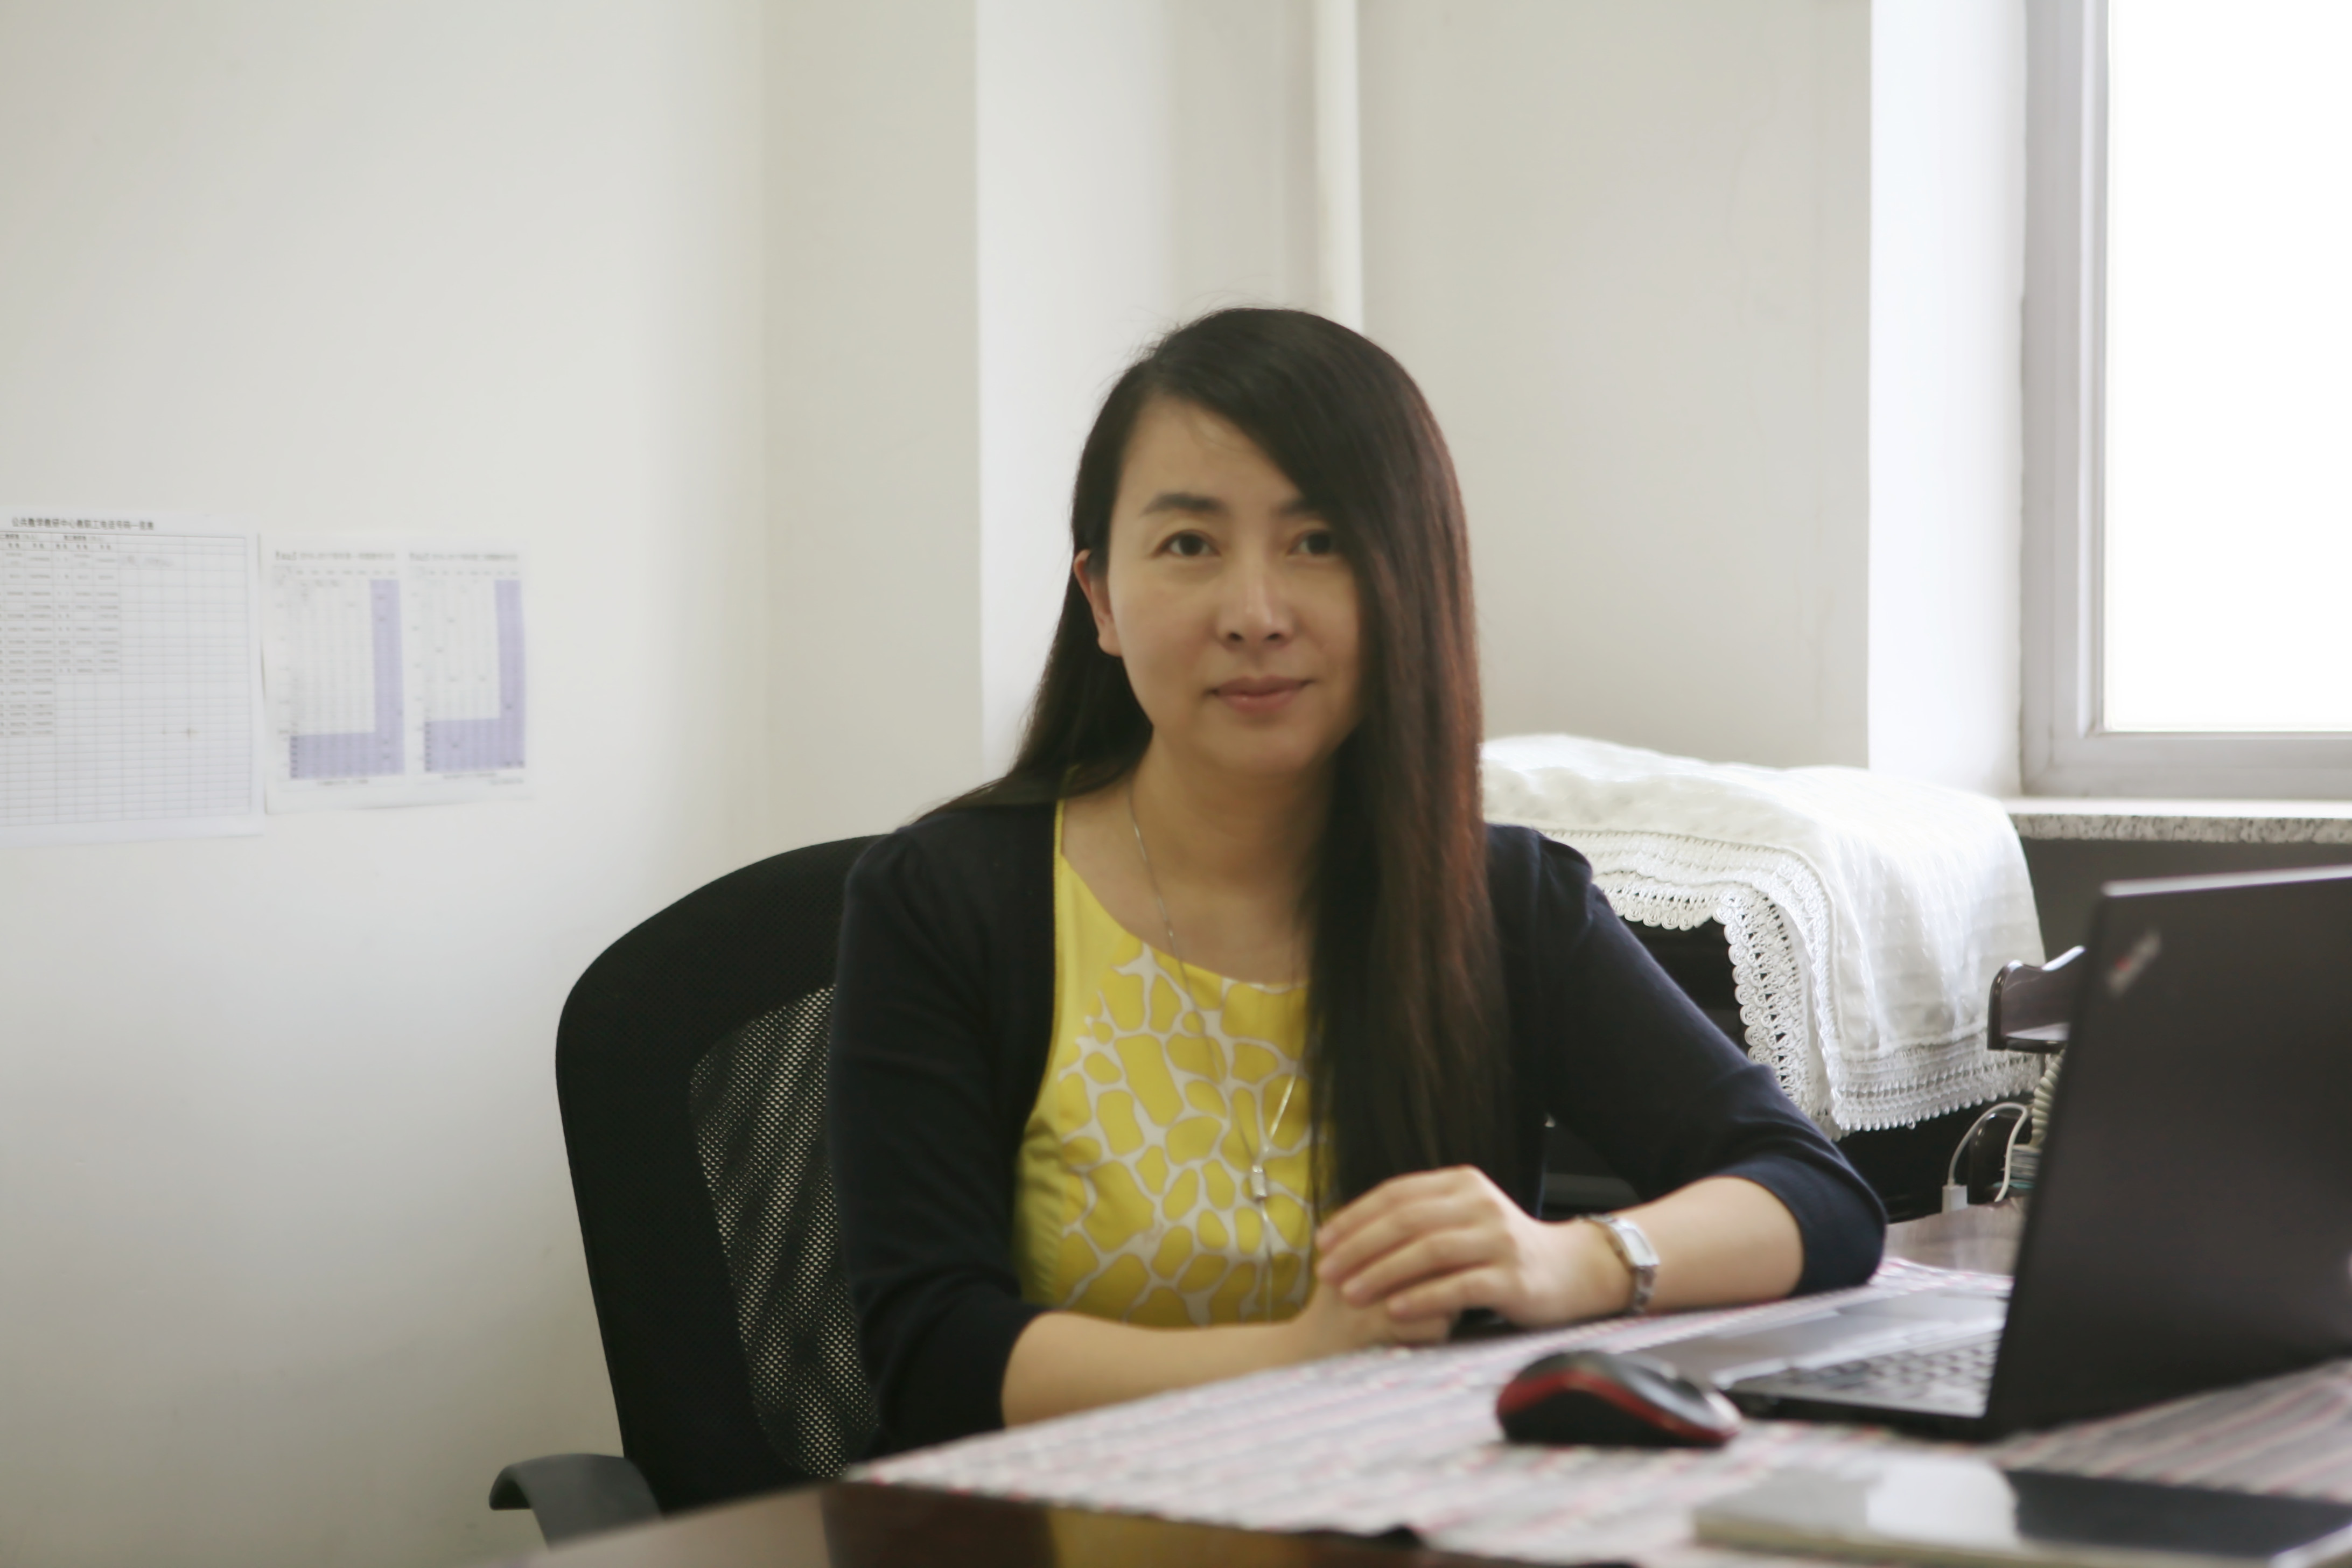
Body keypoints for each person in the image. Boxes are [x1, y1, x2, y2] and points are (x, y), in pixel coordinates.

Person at [828, 308, 1884, 1454]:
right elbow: (934, 1356)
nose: (1255, 615)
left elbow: (1815, 1197)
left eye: (1319, 541)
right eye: (1189, 545)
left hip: (1403, 1511)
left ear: (1410, 584)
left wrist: (1574, 1260)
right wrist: (1305, 1352)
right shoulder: (948, 901)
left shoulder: (1499, 903)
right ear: (1101, 600)